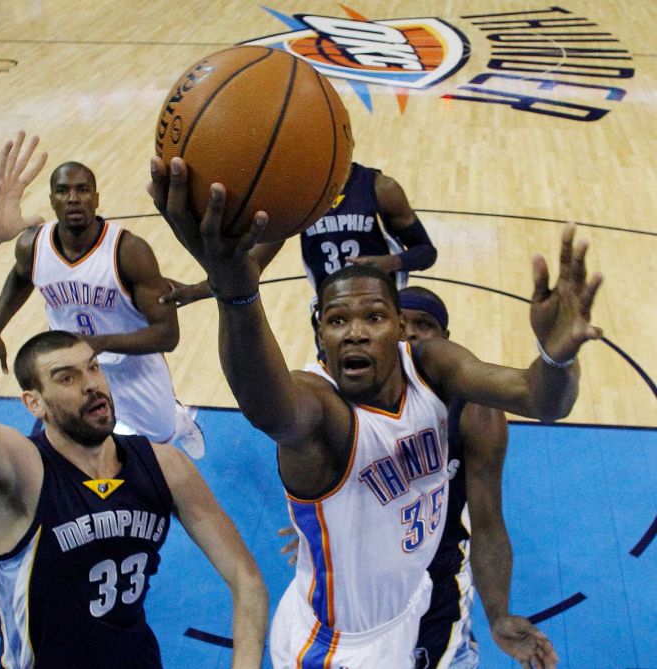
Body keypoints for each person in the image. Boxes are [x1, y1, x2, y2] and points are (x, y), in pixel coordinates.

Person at [149, 155, 600, 668]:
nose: (356, 330)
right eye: (337, 320)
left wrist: (556, 356)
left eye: (375, 316)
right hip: (333, 650)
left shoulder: (432, 367)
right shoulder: (319, 408)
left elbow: (540, 400)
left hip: (412, 611)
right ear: (319, 335)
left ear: (400, 330)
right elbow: (267, 405)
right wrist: (234, 290)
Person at [0, 134, 269, 668]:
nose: (91, 383)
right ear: (33, 404)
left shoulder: (166, 466)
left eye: (90, 371)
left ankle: (179, 416)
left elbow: (248, 579)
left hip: (138, 660)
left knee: (162, 424)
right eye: (66, 378)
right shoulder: (18, 475)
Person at [280, 285, 558, 669]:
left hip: (439, 577)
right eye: (402, 324)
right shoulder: (347, 400)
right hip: (367, 596)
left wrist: (498, 613)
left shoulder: (476, 412)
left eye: (423, 326)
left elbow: (489, 523)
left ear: (445, 341)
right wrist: (318, 531)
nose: (409, 335)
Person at [0, 155, 205, 458]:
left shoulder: (129, 252)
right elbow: (21, 277)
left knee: (160, 439)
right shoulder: (32, 246)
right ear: (51, 200)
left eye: (83, 189)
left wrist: (98, 344)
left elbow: (167, 336)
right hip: (70, 366)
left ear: (96, 198)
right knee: (66, 443)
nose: (73, 198)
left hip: (132, 366)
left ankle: (179, 421)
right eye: (63, 191)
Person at [162, 161, 436, 307]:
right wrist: (197, 291)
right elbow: (251, 267)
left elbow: (427, 253)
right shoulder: (301, 198)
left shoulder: (380, 188)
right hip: (332, 310)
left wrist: (389, 263)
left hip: (381, 304)